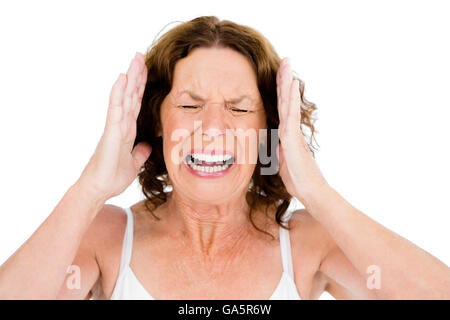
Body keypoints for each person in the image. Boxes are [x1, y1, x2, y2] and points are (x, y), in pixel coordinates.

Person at [0, 16, 448, 300]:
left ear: (268, 130)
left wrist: (315, 190)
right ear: (157, 120)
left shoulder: (308, 242)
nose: (212, 129)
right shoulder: (107, 237)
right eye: (191, 106)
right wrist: (89, 190)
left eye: (238, 108)